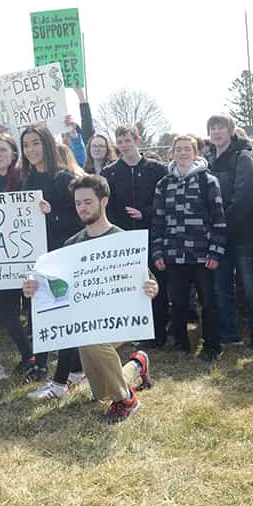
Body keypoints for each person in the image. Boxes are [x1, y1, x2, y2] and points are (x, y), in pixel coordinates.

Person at [22, 174, 156, 423]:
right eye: (78, 203)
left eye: (87, 202)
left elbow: (148, 280)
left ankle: (127, 401)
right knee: (101, 392)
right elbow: (59, 289)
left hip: (119, 320)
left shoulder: (122, 239)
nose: (82, 208)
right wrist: (35, 288)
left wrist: (151, 287)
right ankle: (137, 365)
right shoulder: (72, 244)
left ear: (103, 201)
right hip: (88, 322)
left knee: (91, 341)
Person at [16, 124, 85, 394]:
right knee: (45, 316)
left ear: (46, 144)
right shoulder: (27, 181)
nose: (30, 150)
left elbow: (79, 220)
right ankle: (74, 371)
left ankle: (60, 382)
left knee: (64, 317)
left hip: (63, 258)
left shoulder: (65, 179)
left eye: (35, 143)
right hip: (38, 259)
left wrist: (51, 213)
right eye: (26, 145)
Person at [152, 135, 226, 361]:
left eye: (187, 149)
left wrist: (215, 251)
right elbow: (157, 221)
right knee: (178, 303)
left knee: (209, 302)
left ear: (196, 154)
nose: (183, 153)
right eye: (178, 149)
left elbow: (219, 219)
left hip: (203, 255)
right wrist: (157, 252)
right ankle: (181, 343)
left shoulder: (208, 181)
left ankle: (212, 346)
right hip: (173, 254)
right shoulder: (163, 184)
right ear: (172, 153)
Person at [206, 114, 253, 351]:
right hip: (218, 237)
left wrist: (221, 224)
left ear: (231, 131)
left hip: (244, 233)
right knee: (222, 286)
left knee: (251, 286)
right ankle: (229, 334)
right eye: (212, 128)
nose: (217, 132)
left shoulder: (244, 158)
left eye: (221, 127)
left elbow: (243, 198)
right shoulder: (208, 160)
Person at [103, 125, 170, 346]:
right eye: (120, 141)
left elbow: (166, 200)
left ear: (137, 141)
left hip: (152, 235)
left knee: (154, 283)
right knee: (128, 285)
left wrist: (145, 213)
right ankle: (133, 331)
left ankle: (158, 332)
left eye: (127, 141)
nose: (124, 146)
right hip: (123, 238)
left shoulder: (157, 169)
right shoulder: (110, 173)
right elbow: (107, 206)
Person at [0, 132, 34, 377]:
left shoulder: (24, 178)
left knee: (22, 310)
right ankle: (29, 356)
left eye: (3, 149)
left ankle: (35, 358)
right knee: (6, 311)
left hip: (23, 253)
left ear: (13, 154)